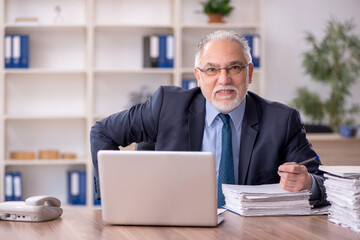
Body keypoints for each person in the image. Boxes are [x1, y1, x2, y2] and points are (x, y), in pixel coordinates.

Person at [90, 30, 328, 208]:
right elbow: (102, 132)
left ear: (250, 72)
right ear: (198, 76)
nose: (223, 80)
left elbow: (323, 182)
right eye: (212, 70)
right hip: (176, 228)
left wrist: (307, 182)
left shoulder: (282, 120)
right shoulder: (167, 105)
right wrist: (117, 196)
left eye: (234, 67)